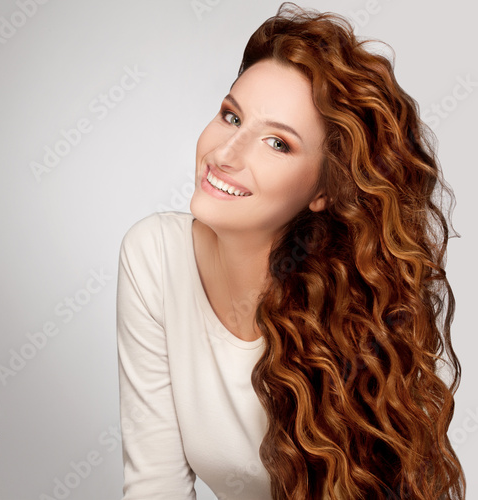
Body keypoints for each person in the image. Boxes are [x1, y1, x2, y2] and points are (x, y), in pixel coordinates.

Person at [116, 3, 465, 499]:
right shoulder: (154, 256)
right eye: (230, 116)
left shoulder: (352, 320)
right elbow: (154, 485)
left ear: (323, 190)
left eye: (277, 143)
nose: (225, 153)